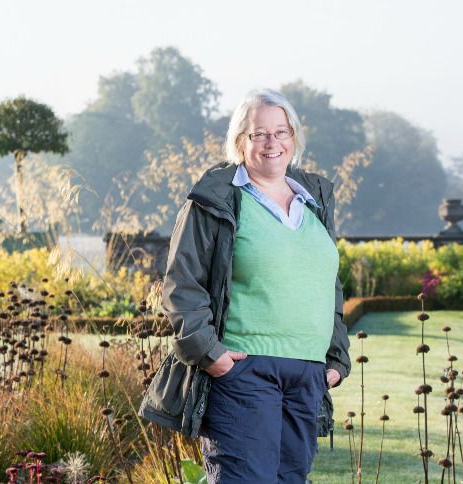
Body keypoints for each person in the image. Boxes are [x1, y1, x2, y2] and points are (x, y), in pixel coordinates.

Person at [139, 89, 351, 483]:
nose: (273, 142)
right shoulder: (215, 200)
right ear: (241, 141)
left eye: (281, 131)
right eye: (259, 134)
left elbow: (328, 285)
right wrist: (210, 354)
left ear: (294, 138)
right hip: (244, 372)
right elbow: (182, 283)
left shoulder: (314, 200)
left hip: (307, 375)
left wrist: (335, 360)